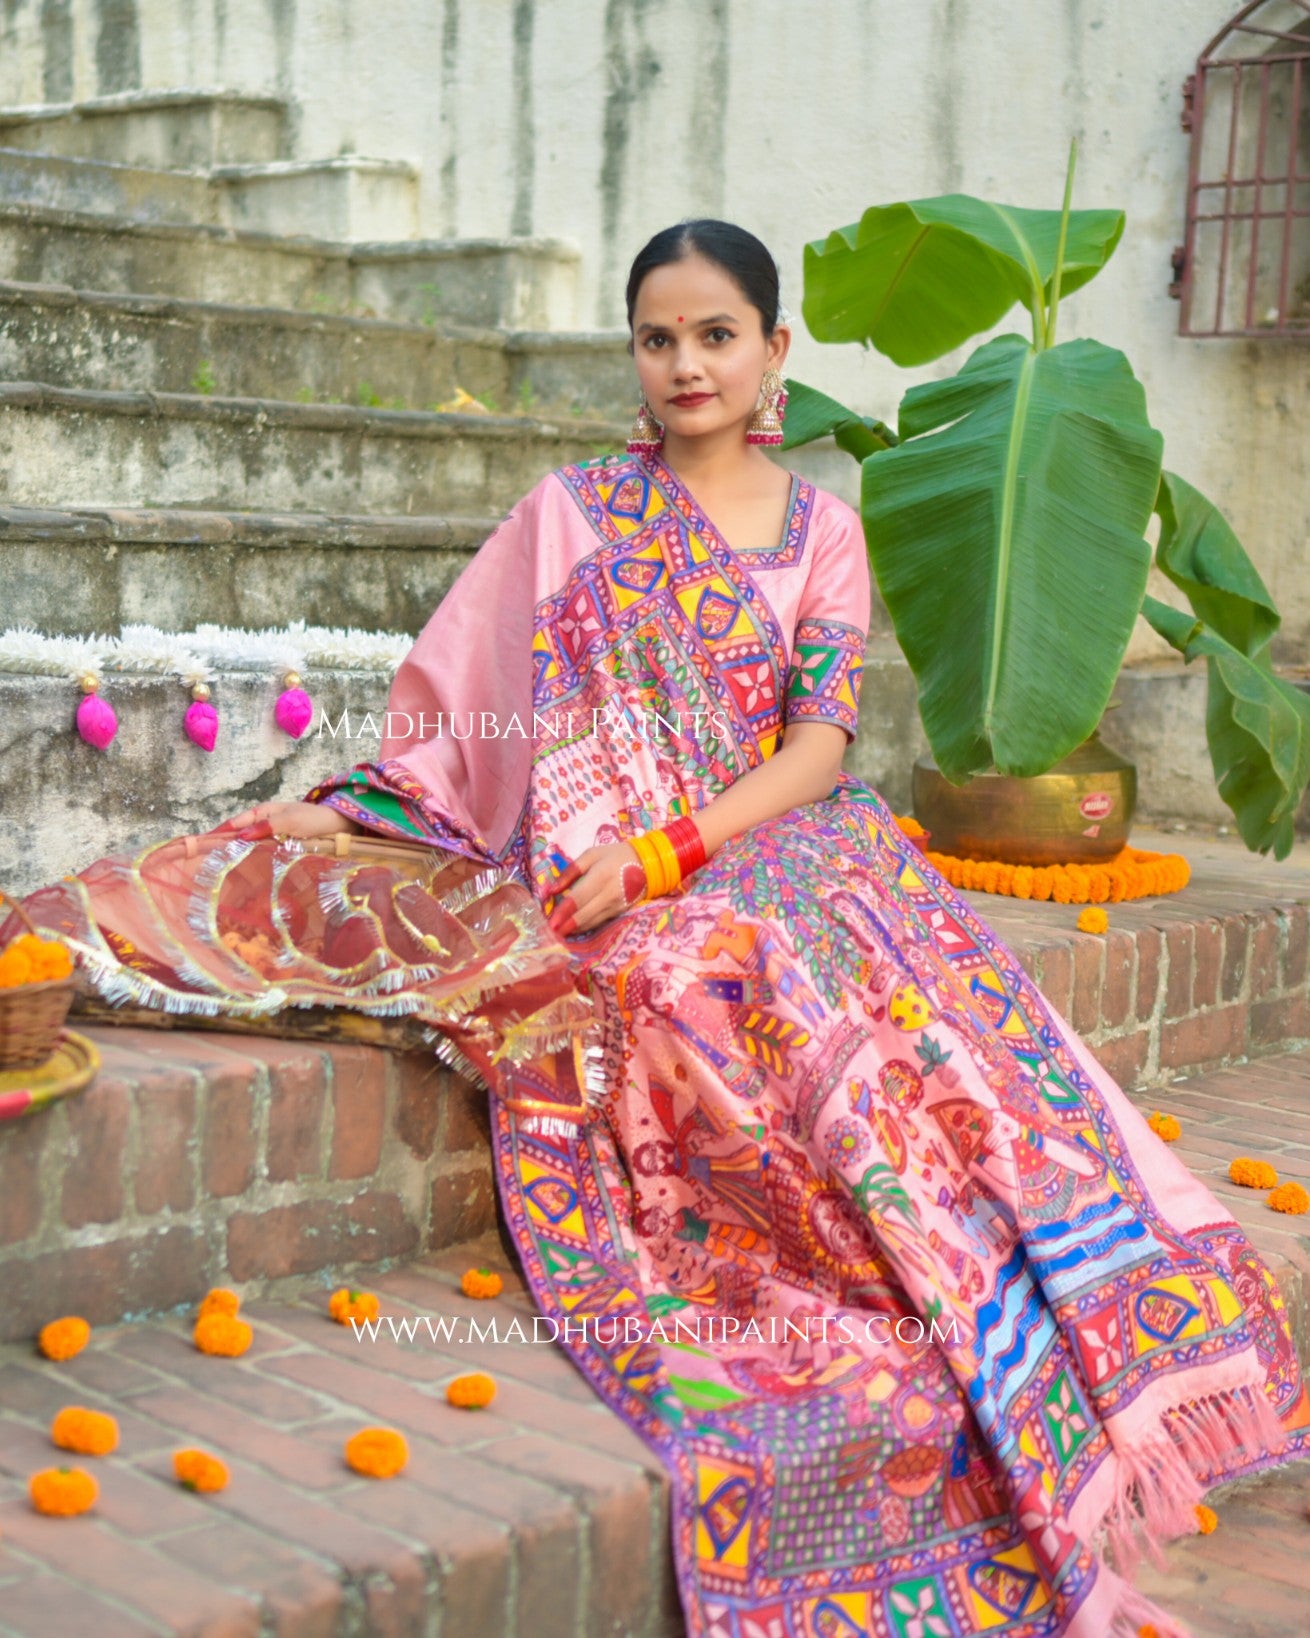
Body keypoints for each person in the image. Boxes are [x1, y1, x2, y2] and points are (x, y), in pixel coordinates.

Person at [28, 221, 1310, 1637]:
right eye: (657, 336)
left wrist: (673, 845)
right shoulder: (570, 514)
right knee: (650, 972)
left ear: (772, 350)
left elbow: (819, 746)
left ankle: (956, 1265)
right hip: (595, 859)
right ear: (633, 356)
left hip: (775, 841)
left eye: (714, 333)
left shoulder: (822, 530)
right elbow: (472, 715)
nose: (685, 362)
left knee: (778, 973)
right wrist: (370, 808)